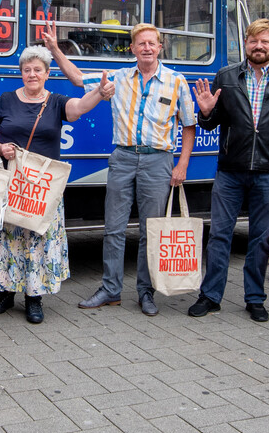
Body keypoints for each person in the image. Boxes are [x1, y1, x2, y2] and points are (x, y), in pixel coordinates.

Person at [46, 22, 197, 317]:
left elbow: (189, 126)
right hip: (123, 158)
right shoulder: (118, 78)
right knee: (113, 228)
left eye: (152, 43)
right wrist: (54, 50)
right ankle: (110, 289)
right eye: (141, 43)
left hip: (158, 161)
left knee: (149, 230)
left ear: (160, 47)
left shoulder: (177, 81)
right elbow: (78, 79)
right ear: (133, 48)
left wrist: (182, 164)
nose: (147, 48)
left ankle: (145, 292)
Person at [187, 19, 269, 322]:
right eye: (254, 41)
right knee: (219, 236)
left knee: (260, 238)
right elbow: (210, 122)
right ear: (245, 43)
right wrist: (205, 113)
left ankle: (255, 298)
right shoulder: (226, 77)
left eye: (265, 41)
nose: (259, 46)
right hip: (230, 171)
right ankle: (210, 296)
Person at [0, 46, 113, 324]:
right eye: (27, 70)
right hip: (12, 181)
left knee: (38, 238)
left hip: (44, 186)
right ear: (21, 73)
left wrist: (99, 93)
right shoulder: (6, 100)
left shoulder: (55, 101)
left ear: (47, 73)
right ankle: (6, 293)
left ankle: (34, 298)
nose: (32, 74)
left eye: (37, 70)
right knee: (8, 238)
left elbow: (78, 108)